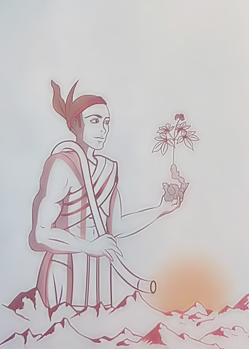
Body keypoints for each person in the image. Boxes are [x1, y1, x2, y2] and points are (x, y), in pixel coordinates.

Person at [29, 81, 182, 308]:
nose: (103, 129)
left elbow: (115, 227)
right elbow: (40, 235)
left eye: (106, 122)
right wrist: (88, 246)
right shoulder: (62, 165)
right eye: (95, 120)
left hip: (99, 274)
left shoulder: (108, 168)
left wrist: (161, 209)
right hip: (65, 269)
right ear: (75, 125)